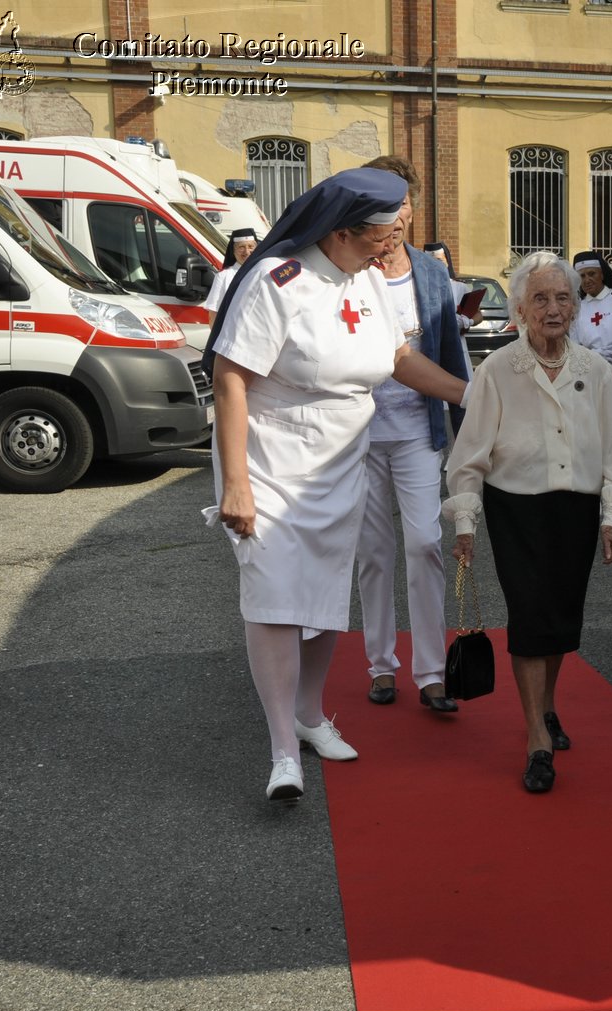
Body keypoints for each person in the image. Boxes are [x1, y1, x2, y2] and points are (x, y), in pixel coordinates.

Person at [207, 167, 469, 801]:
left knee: (324, 598)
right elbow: (230, 378)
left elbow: (401, 360)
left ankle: (309, 715)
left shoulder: (371, 281)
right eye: (383, 232)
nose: (394, 242)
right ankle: (281, 752)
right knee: (274, 599)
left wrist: (475, 394)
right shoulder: (278, 281)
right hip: (271, 462)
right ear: (345, 230)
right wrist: (235, 485)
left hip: (338, 461)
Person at [443, 252, 612, 793]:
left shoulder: (597, 371)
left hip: (575, 509)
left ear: (576, 306)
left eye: (562, 298)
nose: (553, 309)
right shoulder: (496, 370)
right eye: (541, 299)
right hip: (517, 509)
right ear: (521, 309)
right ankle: (536, 736)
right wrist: (465, 520)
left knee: (559, 621)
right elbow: (469, 455)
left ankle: (547, 705)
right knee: (530, 616)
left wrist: (611, 518)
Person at [353, 156, 471, 715]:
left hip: (418, 431)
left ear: (412, 208)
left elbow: (451, 355)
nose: (394, 215)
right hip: (358, 434)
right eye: (383, 204)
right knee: (373, 552)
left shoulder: (430, 273)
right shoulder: (346, 270)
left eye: (401, 203)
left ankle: (431, 671)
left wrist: (471, 436)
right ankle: (381, 663)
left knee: (425, 544)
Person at [573, 251, 612, 451]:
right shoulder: (577, 308)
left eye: (591, 274)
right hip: (590, 375)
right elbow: (574, 345)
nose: (587, 280)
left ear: (602, 274)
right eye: (582, 276)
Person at [203, 227, 258, 327]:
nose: (246, 252)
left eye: (250, 247)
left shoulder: (263, 272)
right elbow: (213, 314)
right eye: (241, 247)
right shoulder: (223, 276)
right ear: (233, 250)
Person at [422, 241, 474, 332]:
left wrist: (467, 322)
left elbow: (478, 314)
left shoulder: (461, 287)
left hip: (457, 342)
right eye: (430, 261)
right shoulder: (419, 289)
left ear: (447, 261)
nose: (435, 265)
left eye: (439, 260)